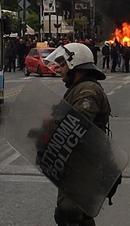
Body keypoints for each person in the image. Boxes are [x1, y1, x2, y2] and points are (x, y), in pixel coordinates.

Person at [46, 42, 111, 226]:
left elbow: (78, 122)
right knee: (77, 215)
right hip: (76, 162)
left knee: (71, 213)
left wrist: (50, 122)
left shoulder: (88, 91)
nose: (59, 69)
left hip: (84, 164)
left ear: (76, 65)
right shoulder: (78, 89)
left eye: (63, 64)